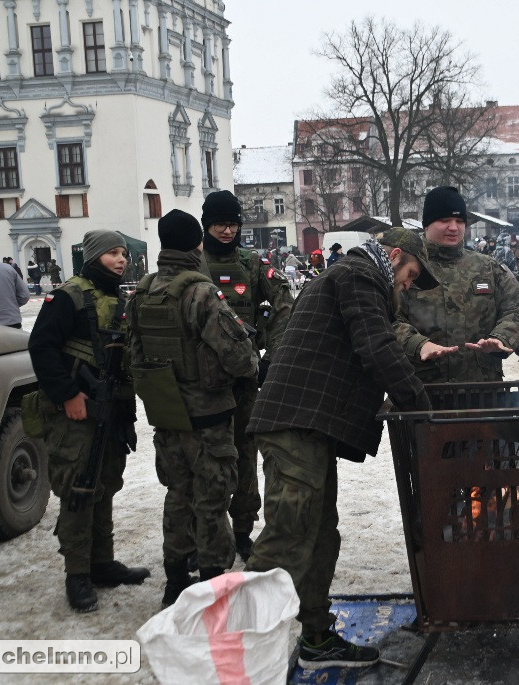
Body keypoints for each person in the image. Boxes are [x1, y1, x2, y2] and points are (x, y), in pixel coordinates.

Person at [245, 228, 438, 671]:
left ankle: (315, 638)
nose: (408, 285)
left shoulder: (358, 276)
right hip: (294, 423)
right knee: (288, 537)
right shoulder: (359, 274)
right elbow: (375, 345)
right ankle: (238, 655)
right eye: (410, 275)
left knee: (318, 535)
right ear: (393, 256)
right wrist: (420, 408)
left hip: (310, 428)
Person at [126, 209, 259, 606]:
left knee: (177, 492)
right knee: (212, 496)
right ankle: (213, 579)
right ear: (196, 244)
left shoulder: (144, 291)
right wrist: (249, 362)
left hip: (167, 412)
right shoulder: (200, 292)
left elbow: (133, 355)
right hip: (209, 414)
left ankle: (174, 577)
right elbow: (239, 358)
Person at [28, 230, 149, 613]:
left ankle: (102, 562)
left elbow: (122, 362)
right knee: (79, 488)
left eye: (123, 253)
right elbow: (41, 346)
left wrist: (126, 416)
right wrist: (67, 394)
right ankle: (76, 574)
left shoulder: (119, 297)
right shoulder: (68, 296)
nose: (121, 259)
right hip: (76, 412)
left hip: (110, 409)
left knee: (106, 483)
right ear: (94, 256)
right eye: (112, 253)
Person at [199, 189, 294, 561]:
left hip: (246, 379)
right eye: (221, 224)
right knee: (205, 459)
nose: (227, 231)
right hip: (204, 382)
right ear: (207, 224)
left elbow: (286, 303)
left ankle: (241, 529)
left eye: (233, 224)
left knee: (244, 454)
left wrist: (275, 355)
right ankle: (206, 532)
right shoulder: (194, 264)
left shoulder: (253, 264)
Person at [395, 186, 519, 383]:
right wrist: (418, 344)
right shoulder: (408, 267)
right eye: (444, 220)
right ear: (426, 224)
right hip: (423, 392)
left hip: (482, 392)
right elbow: (386, 319)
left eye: (459, 221)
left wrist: (502, 337)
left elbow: (518, 307)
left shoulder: (487, 268)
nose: (453, 227)